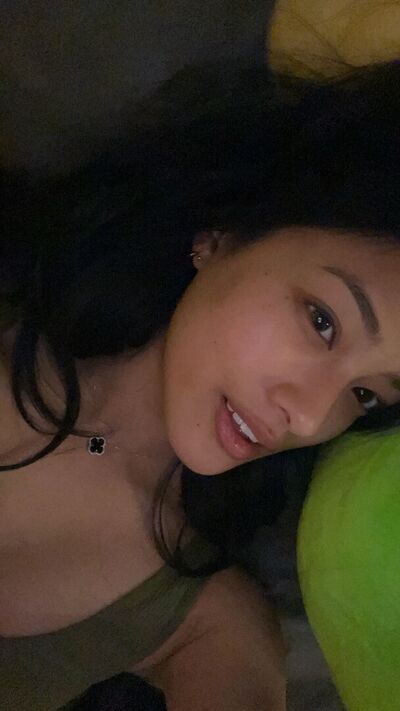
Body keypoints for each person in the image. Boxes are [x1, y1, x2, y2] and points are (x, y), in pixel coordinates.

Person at [1, 60, 400, 710]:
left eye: (366, 395)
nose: (308, 417)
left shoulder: (208, 618)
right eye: (323, 322)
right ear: (223, 234)